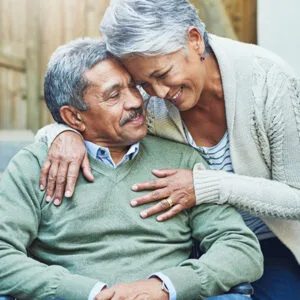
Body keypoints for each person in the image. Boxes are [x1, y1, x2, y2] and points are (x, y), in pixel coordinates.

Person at [36, 0, 300, 299]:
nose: (158, 94)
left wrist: (204, 186)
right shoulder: (146, 100)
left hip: (270, 242)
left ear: (195, 40)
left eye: (162, 75)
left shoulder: (269, 82)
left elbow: (296, 196)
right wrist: (62, 132)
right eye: (142, 83)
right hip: (177, 248)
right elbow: (91, 116)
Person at [0, 38, 263, 300]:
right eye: (114, 95)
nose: (136, 101)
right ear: (74, 117)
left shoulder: (180, 159)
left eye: (134, 87)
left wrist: (166, 286)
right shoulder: (34, 166)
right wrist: (90, 294)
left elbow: (241, 249)